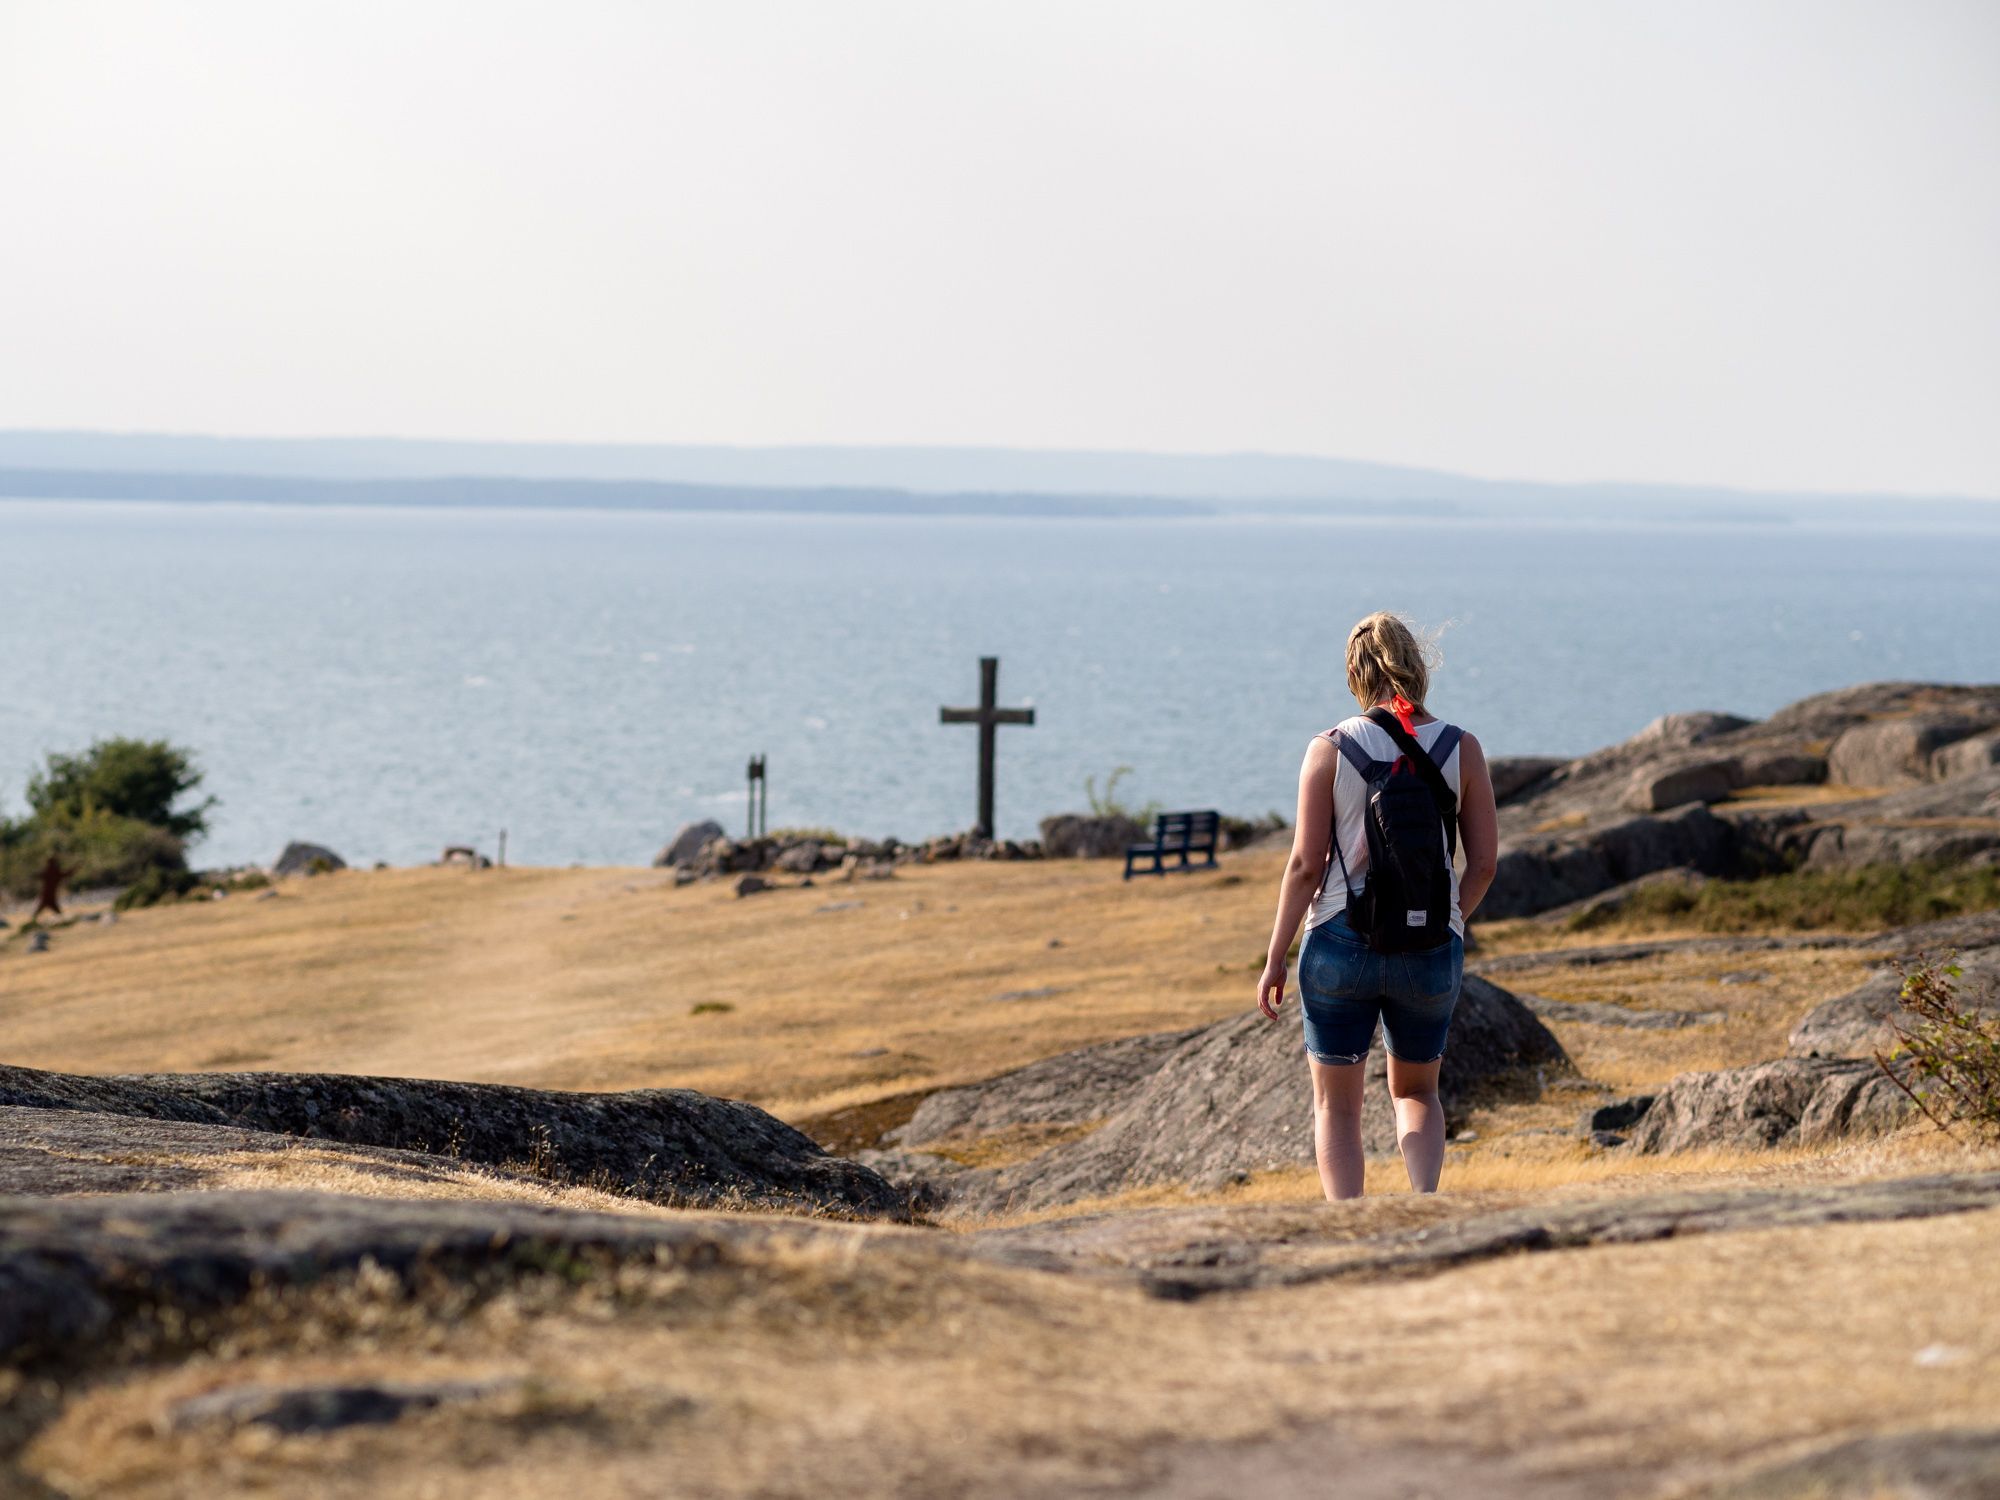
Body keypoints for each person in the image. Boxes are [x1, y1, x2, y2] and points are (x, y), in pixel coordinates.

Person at [1256, 612, 1498, 1200]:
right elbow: (1485, 862)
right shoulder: (1461, 747)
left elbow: (1305, 865)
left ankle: (1349, 1224)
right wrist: (1450, 922)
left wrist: (1274, 958)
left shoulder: (1329, 747)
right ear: (1415, 666)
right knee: (1416, 1093)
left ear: (1353, 673)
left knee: (1336, 1105)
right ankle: (1423, 1206)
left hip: (1339, 939)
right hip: (1429, 946)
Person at [30, 854, 75, 923]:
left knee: (40, 911)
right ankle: (32, 921)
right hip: (49, 896)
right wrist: (75, 868)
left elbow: (38, 875)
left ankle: (32, 921)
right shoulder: (55, 872)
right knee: (56, 911)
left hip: (47, 896)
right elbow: (67, 874)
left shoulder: (49, 871)